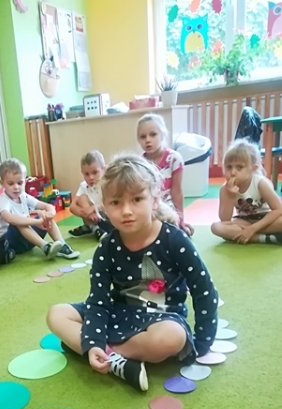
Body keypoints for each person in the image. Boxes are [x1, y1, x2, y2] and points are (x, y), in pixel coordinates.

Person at [46, 154, 218, 392]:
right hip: (117, 313)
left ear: (154, 200)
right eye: (116, 202)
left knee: (173, 337)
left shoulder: (175, 240)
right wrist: (94, 341)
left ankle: (104, 353)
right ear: (104, 206)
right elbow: (98, 301)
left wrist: (202, 342)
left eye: (137, 199)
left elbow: (203, 290)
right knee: (56, 314)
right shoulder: (106, 247)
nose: (126, 211)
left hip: (161, 317)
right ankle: (110, 357)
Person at [0, 158, 80, 259]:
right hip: (10, 243)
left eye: (20, 183)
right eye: (11, 183)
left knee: (44, 215)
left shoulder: (23, 195)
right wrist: (37, 222)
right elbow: (10, 218)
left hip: (28, 239)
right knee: (19, 223)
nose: (16, 187)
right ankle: (45, 247)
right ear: (2, 183)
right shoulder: (3, 201)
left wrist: (50, 214)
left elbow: (47, 206)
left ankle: (62, 245)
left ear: (25, 182)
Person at [211, 139, 282, 245]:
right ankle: (262, 238)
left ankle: (249, 234)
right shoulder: (225, 189)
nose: (233, 172)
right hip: (245, 221)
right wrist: (231, 196)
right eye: (229, 167)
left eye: (239, 167)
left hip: (267, 219)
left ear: (253, 169)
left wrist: (253, 228)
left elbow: (279, 209)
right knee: (216, 227)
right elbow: (225, 219)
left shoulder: (260, 183)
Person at [137, 113, 194, 236]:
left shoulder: (174, 159)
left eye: (153, 134)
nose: (148, 140)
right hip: (149, 206)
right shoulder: (140, 163)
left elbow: (177, 191)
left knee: (171, 227)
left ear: (162, 135)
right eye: (143, 137)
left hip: (168, 208)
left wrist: (181, 220)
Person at [68, 150, 113, 240]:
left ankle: (90, 227)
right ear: (82, 172)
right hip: (94, 219)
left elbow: (111, 202)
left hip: (110, 220)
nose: (91, 177)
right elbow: (72, 207)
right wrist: (88, 214)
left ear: (104, 169)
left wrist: (94, 208)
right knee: (82, 198)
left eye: (95, 172)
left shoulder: (108, 183)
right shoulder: (84, 186)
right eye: (86, 174)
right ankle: (94, 228)